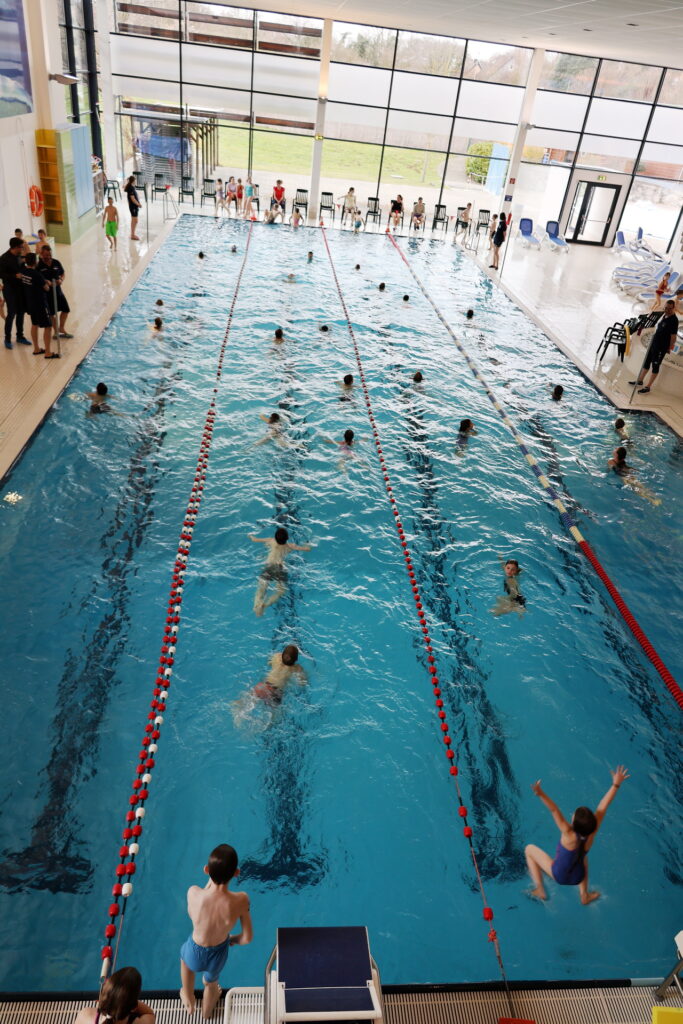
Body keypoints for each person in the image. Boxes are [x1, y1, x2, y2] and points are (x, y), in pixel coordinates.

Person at [524, 767, 630, 905]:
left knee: (529, 849)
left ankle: (540, 890)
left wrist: (540, 793)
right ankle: (584, 895)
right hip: (578, 877)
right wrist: (616, 784)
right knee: (583, 857)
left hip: (559, 875)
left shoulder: (568, 833)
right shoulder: (593, 831)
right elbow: (603, 806)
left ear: (573, 822)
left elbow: (554, 810)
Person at [179, 843, 252, 1017]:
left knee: (185, 960)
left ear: (206, 870)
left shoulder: (193, 893)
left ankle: (188, 998)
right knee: (211, 983)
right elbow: (247, 938)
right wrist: (231, 940)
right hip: (218, 954)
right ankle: (207, 1012)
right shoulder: (241, 900)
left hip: (194, 950)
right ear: (236, 873)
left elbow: (193, 915)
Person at [249, 527, 311, 615]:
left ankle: (256, 606)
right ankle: (266, 604)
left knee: (261, 588)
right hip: (280, 568)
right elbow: (307, 549)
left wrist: (250, 535)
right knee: (281, 591)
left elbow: (255, 539)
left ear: (275, 537)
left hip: (269, 566)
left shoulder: (271, 540)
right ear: (287, 538)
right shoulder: (290, 546)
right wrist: (308, 543)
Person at [72, 965, 155, 1024]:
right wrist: (122, 999)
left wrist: (114, 998)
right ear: (133, 1007)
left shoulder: (85, 1015)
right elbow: (150, 1014)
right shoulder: (140, 1022)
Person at [629, 298, 678, 393]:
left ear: (673, 309)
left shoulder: (674, 320)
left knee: (655, 366)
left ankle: (648, 386)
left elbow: (673, 337)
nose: (667, 310)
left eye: (670, 309)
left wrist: (669, 347)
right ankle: (640, 381)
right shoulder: (664, 316)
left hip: (661, 347)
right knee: (646, 363)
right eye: (666, 308)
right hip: (654, 344)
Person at [21, 253, 57, 358]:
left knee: (35, 324)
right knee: (48, 326)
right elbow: (46, 288)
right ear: (35, 262)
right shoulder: (36, 274)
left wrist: (42, 281)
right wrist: (48, 283)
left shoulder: (24, 272)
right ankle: (48, 352)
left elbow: (33, 283)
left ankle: (36, 349)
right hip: (40, 303)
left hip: (30, 303)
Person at [0, 236, 29, 348]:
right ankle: (7, 339)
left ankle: (20, 336)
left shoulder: (18, 256)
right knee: (11, 314)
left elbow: (22, 268)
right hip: (10, 290)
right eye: (21, 247)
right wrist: (14, 276)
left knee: (21, 313)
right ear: (15, 247)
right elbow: (1, 274)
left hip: (20, 289)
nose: (22, 249)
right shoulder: (3, 258)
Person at [39, 245, 72, 339]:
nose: (48, 257)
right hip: (47, 294)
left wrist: (61, 280)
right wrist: (46, 282)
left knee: (66, 310)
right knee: (51, 313)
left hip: (58, 291)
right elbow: (38, 279)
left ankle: (61, 328)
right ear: (41, 254)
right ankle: (56, 331)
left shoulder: (56, 262)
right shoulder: (39, 266)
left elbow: (63, 273)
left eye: (49, 254)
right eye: (46, 255)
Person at [123, 176, 142, 240]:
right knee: (135, 221)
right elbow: (132, 199)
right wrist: (138, 204)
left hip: (133, 206)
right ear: (133, 181)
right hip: (133, 206)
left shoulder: (131, 187)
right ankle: (132, 235)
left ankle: (132, 234)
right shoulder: (131, 188)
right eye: (135, 180)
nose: (135, 181)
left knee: (134, 220)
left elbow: (133, 197)